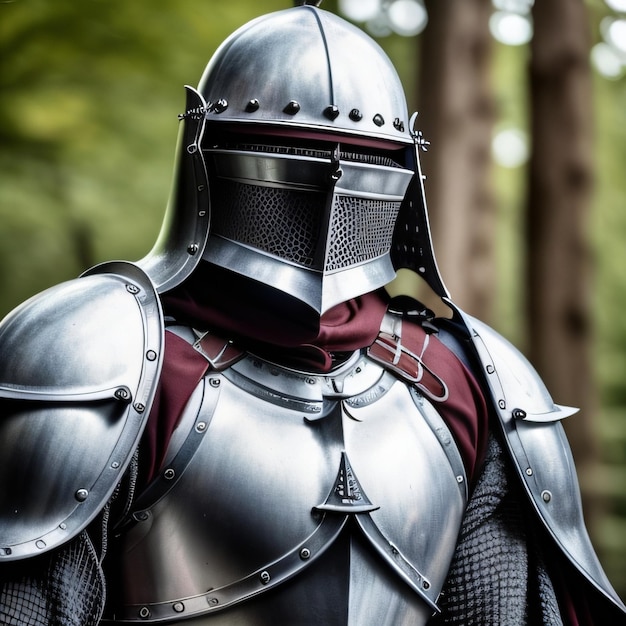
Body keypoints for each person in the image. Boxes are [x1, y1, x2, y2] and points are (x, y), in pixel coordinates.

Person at [0, 2, 624, 624]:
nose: (328, 190)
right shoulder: (100, 360)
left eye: (357, 161)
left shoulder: (469, 382)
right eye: (286, 151)